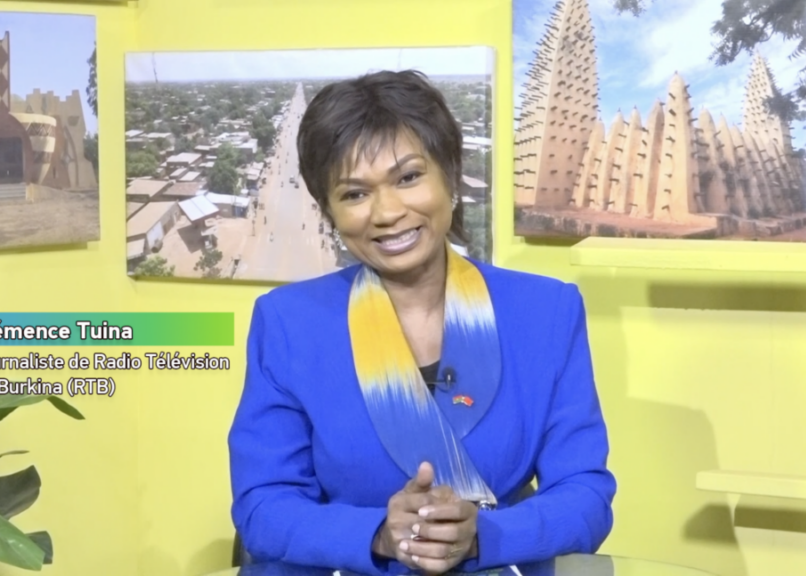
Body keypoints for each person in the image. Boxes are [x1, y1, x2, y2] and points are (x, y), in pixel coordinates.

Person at [228, 70, 616, 576]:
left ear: (449, 176)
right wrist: (378, 536)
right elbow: (262, 507)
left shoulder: (547, 311)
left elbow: (586, 496)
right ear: (329, 211)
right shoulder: (288, 323)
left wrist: (482, 537)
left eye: (408, 177)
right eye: (354, 194)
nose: (387, 212)